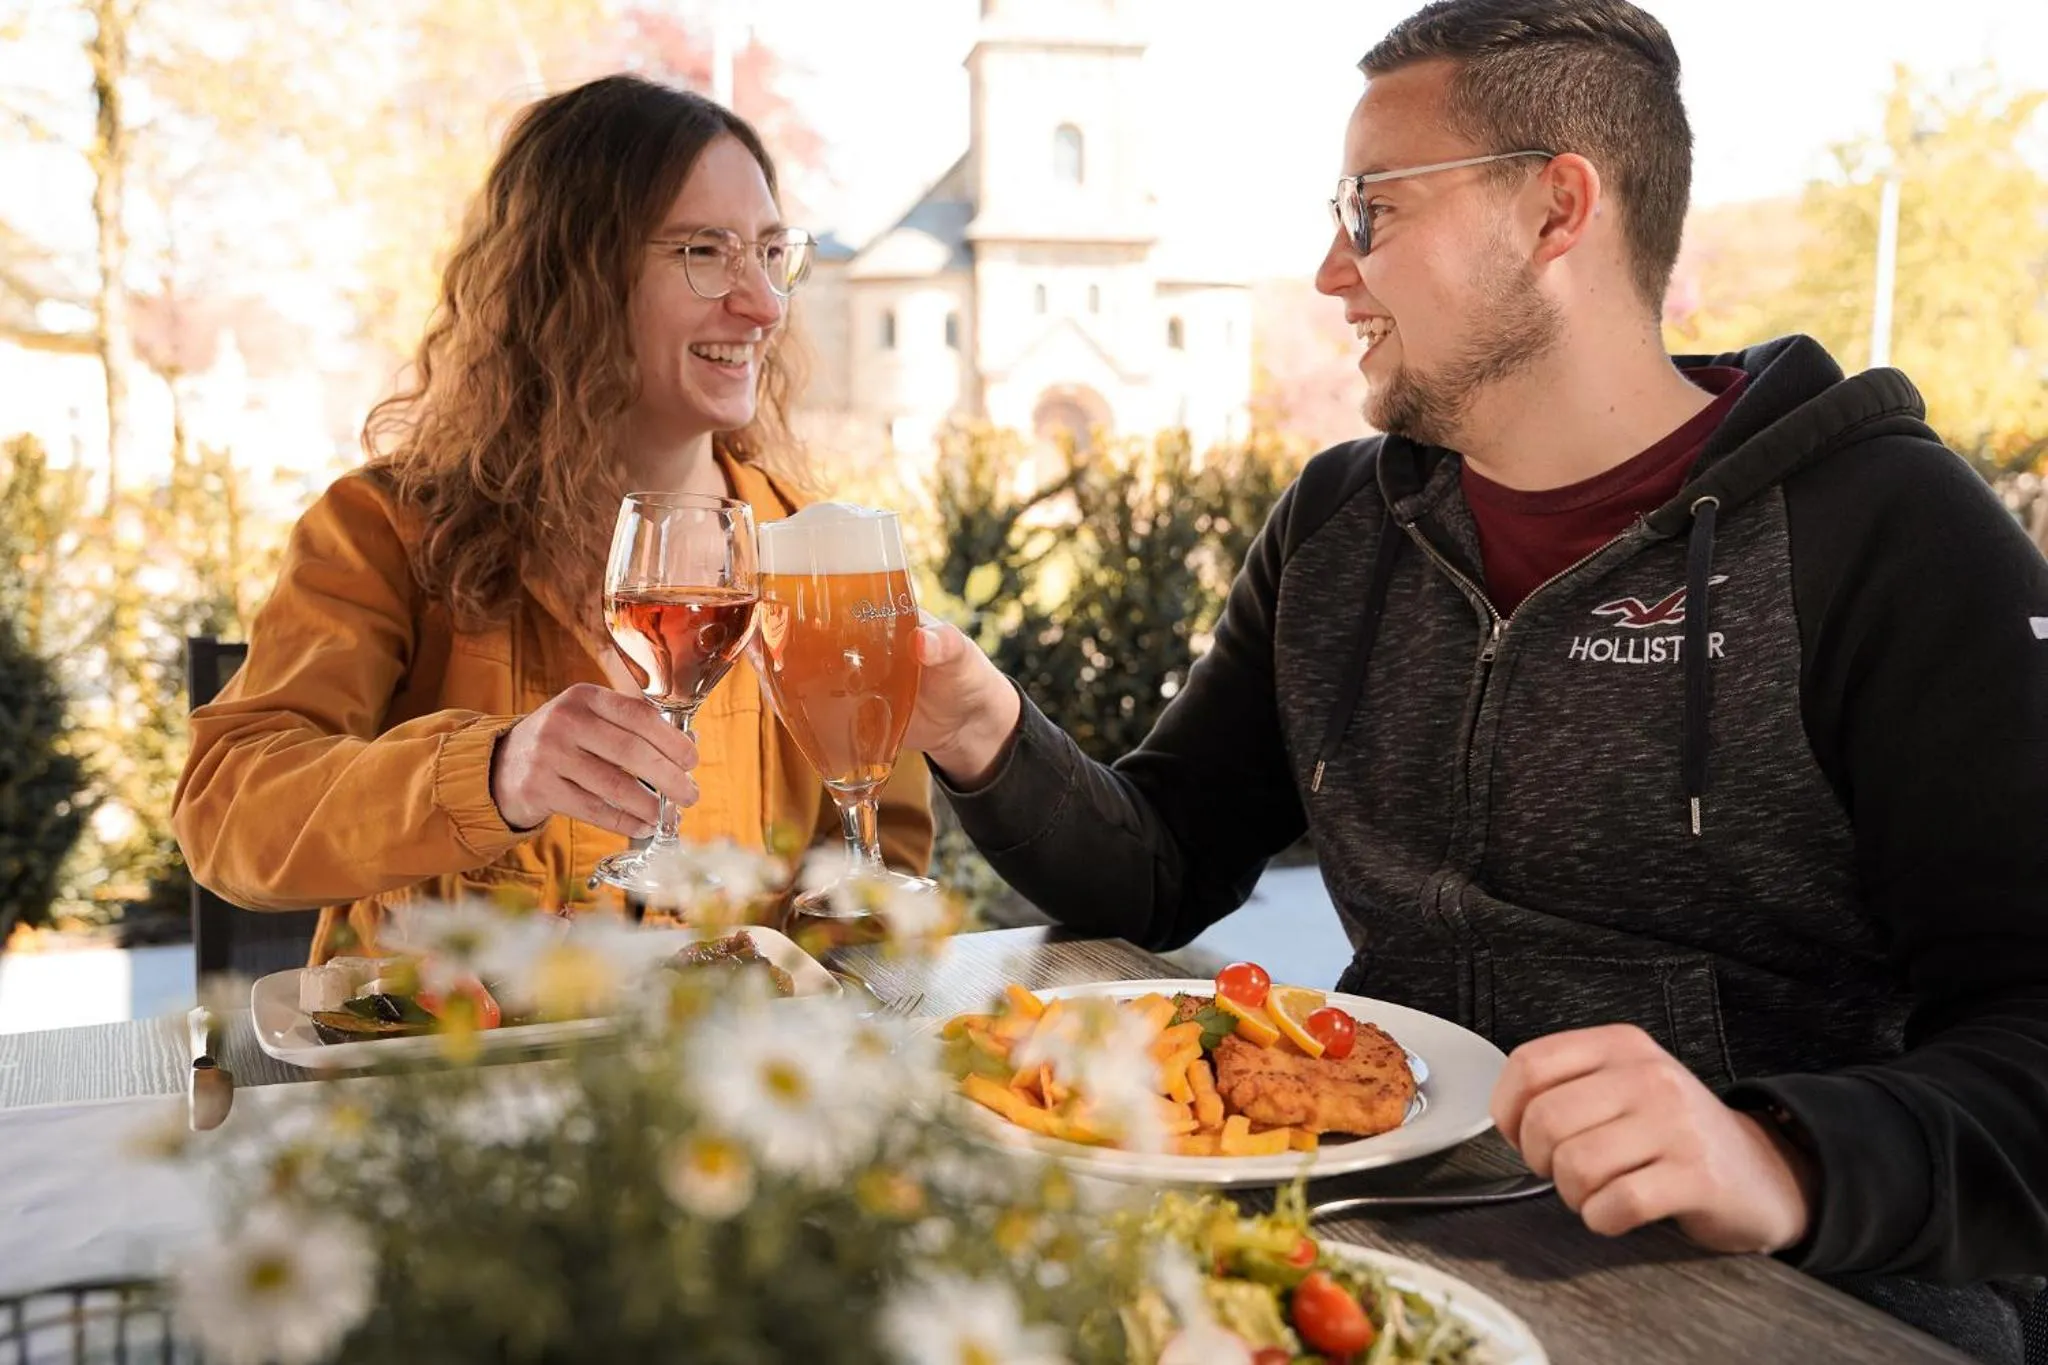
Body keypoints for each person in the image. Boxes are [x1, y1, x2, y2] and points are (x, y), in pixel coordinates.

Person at [903, 1, 2048, 1357]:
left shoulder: (1886, 534)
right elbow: (1160, 866)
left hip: (1812, 1293)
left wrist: (1783, 1155)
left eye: (1372, 211)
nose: (1331, 270)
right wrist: (975, 721)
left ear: (1560, 210)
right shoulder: (1337, 530)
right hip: (1374, 1242)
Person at [173, 75, 933, 964]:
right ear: (570, 278)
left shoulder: (814, 555)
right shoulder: (383, 530)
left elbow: (879, 853)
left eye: (770, 253)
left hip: (712, 1086)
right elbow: (228, 814)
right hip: (439, 1079)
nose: (764, 304)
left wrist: (806, 979)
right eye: (703, 252)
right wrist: (491, 775)